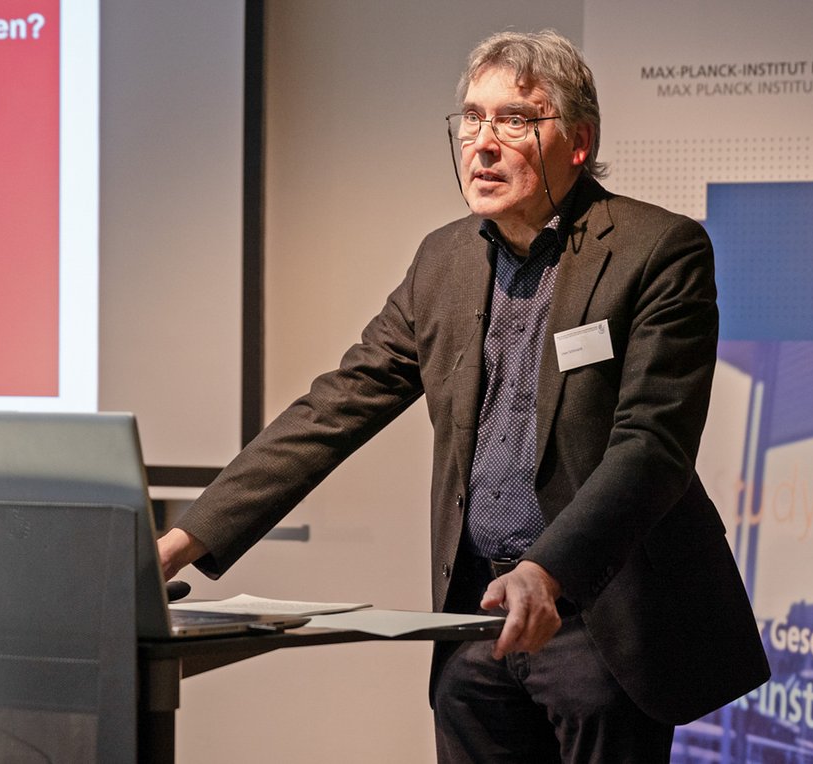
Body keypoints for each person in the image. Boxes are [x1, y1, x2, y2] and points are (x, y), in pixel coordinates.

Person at [157, 29, 769, 763]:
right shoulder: (441, 259)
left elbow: (652, 448)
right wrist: (182, 542)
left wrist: (547, 570)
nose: (481, 143)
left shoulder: (657, 250)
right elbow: (336, 406)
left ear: (578, 142)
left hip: (597, 618)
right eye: (471, 119)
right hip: (472, 620)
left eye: (513, 119)